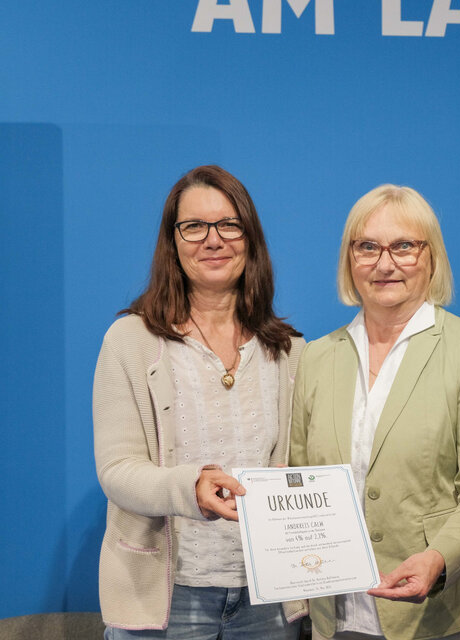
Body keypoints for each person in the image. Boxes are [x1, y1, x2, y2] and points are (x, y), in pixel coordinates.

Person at [289, 184, 460, 640]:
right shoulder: (317, 357)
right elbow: (299, 479)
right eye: (367, 246)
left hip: (443, 617)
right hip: (337, 618)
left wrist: (439, 558)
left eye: (404, 246)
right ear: (349, 259)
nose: (384, 263)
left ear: (432, 257)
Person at [93, 165, 306, 638]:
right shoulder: (131, 340)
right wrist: (190, 487)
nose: (213, 240)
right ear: (173, 241)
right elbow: (117, 470)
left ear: (250, 238)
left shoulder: (290, 350)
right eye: (194, 227)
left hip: (267, 598)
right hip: (168, 598)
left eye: (229, 225)